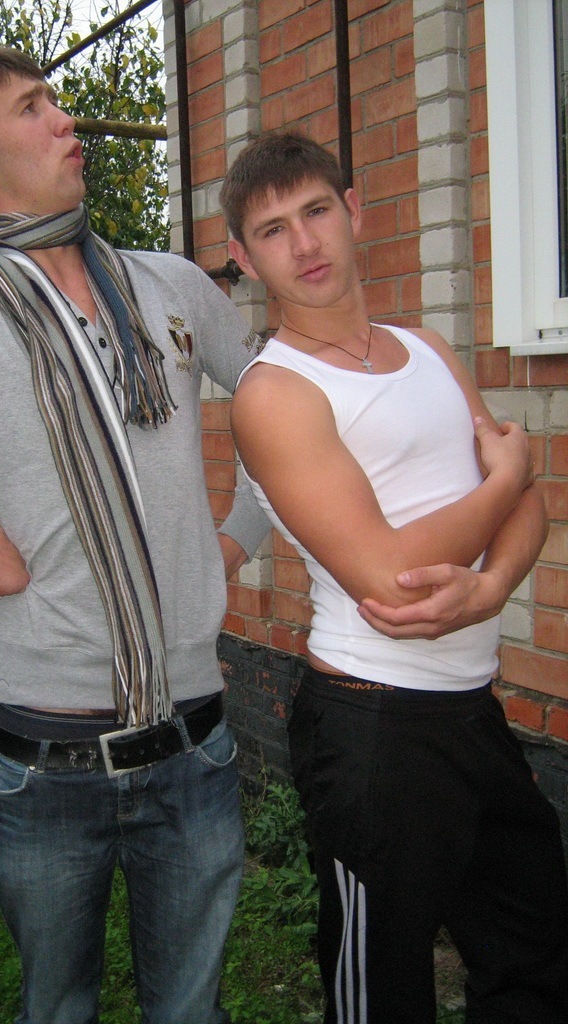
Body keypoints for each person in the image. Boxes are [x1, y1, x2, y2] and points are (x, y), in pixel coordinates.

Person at [0, 48, 546, 1024]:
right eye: (33, 108)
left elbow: (283, 395)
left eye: (56, 100)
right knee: (57, 1007)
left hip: (194, 743)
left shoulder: (168, 287)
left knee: (192, 1009)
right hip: (42, 756)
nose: (65, 120)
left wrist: (232, 541)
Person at [220, 130, 568, 1024]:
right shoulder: (275, 393)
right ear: (244, 258)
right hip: (373, 727)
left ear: (354, 211)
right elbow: (390, 569)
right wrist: (506, 478)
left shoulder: (429, 351)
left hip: (472, 711)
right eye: (272, 230)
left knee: (533, 946)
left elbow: (528, 511)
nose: (305, 244)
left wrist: (490, 589)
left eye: (317, 211)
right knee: (382, 993)